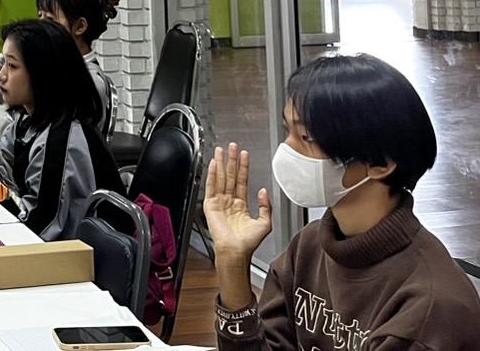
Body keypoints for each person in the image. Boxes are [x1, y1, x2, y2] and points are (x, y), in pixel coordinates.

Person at [204, 53, 480, 349]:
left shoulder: (428, 309)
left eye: (306, 137)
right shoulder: (308, 247)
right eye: (288, 131)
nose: (287, 150)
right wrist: (232, 263)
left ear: (380, 163)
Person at [0, 19, 123, 241]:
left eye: (12, 66)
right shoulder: (29, 120)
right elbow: (3, 155)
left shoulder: (62, 140)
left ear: (42, 73)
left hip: (81, 255)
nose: (1, 75)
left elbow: (39, 228)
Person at [0, 0, 120, 138]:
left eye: (51, 20)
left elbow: (50, 143)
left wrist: (2, 123)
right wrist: (8, 57)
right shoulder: (50, 67)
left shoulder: (90, 82)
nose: (40, 26)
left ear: (80, 27)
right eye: (40, 16)